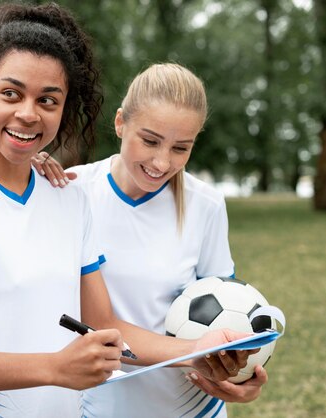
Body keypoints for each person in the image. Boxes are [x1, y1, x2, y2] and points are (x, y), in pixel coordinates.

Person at [0, 5, 255, 418]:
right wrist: (53, 368)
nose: (28, 113)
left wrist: (197, 351)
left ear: (65, 106)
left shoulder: (69, 197)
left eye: (48, 99)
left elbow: (106, 327)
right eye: (11, 93)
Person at [33, 63, 268, 417]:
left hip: (190, 407)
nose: (162, 162)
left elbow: (227, 314)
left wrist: (238, 379)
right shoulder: (71, 191)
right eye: (150, 140)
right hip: (98, 406)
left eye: (180, 148)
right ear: (120, 123)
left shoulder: (205, 204)